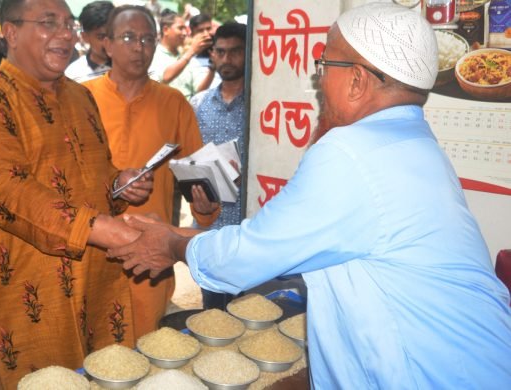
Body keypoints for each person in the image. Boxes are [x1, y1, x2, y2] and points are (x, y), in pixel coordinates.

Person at [109, 3, 511, 388]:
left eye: (325, 66)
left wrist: (170, 245)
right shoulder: (415, 144)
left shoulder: (350, 153)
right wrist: (176, 235)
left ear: (356, 80)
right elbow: (276, 240)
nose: (319, 80)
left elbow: (246, 257)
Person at [0, 0, 154, 386]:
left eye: (68, 24)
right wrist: (109, 230)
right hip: (25, 305)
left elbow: (94, 177)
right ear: (10, 32)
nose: (65, 34)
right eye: (48, 23)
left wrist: (120, 184)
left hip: (98, 288)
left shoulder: (81, 97)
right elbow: (7, 193)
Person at [83, 4, 218, 338]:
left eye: (147, 39)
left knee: (144, 354)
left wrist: (205, 207)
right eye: (128, 37)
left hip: (149, 257)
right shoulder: (81, 98)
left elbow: (200, 179)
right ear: (106, 44)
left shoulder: (174, 104)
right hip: (88, 253)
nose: (139, 47)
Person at [189, 22, 247, 310]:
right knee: (212, 312)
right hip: (208, 224)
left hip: (246, 227)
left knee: (247, 312)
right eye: (220, 52)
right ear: (212, 54)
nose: (226, 60)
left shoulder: (261, 105)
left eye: (235, 52)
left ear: (248, 53)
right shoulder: (199, 103)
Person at [148, 9, 212, 98]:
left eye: (185, 29)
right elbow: (165, 78)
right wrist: (191, 51)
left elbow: (199, 91)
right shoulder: (152, 55)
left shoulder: (187, 57)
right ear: (166, 30)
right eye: (180, 28)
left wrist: (213, 69)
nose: (185, 33)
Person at [64, 0, 113, 83]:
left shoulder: (129, 68)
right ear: (85, 37)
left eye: (112, 35)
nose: (108, 42)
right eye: (101, 37)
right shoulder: (73, 74)